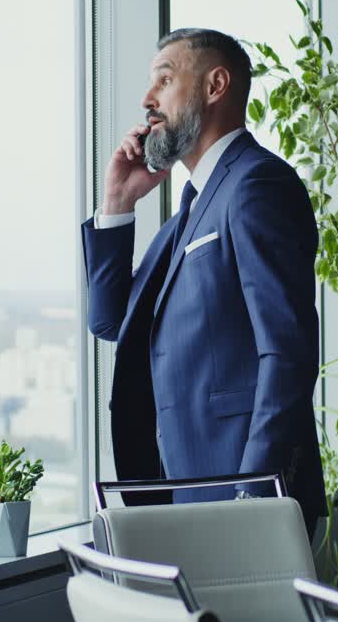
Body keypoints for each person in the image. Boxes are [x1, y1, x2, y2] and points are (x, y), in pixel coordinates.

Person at [81, 28, 324, 532]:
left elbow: (288, 351)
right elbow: (109, 322)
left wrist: (253, 497)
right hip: (186, 497)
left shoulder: (257, 184)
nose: (148, 100)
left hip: (244, 502)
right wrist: (117, 205)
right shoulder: (192, 209)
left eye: (164, 80)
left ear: (216, 85)